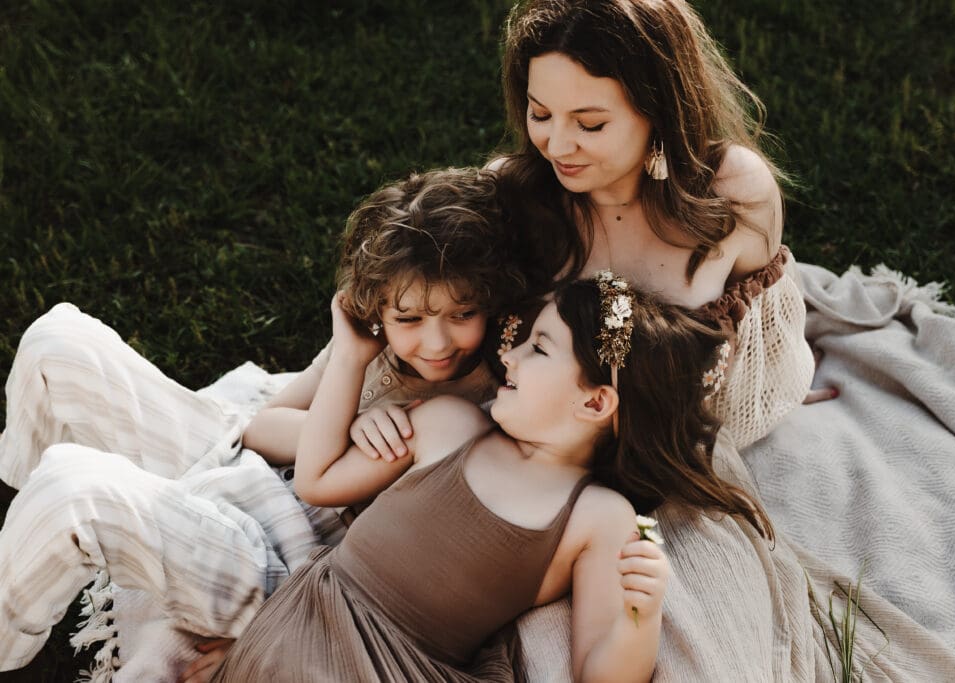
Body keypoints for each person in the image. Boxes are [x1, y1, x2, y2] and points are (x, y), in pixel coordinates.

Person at [0, 167, 528, 672]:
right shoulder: (375, 349)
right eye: (409, 319)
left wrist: (345, 411)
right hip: (246, 472)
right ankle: (19, 531)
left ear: (492, 300)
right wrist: (347, 416)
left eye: (461, 315)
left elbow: (321, 486)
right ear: (377, 310)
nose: (435, 342)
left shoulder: (473, 409)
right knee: (57, 341)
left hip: (283, 556)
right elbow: (260, 427)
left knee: (74, 487)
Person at [177, 274, 771, 682]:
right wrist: (355, 390)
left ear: (595, 404)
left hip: (399, 665)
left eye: (538, 348)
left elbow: (600, 672)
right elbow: (309, 470)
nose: (507, 358)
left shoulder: (597, 517)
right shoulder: (448, 425)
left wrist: (641, 617)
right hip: (299, 625)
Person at [494, 0, 824, 450]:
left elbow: (764, 332)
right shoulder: (511, 196)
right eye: (540, 114)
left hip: (671, 456)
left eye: (590, 124)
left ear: (660, 113)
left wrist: (778, 393)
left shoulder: (733, 192)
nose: (556, 146)